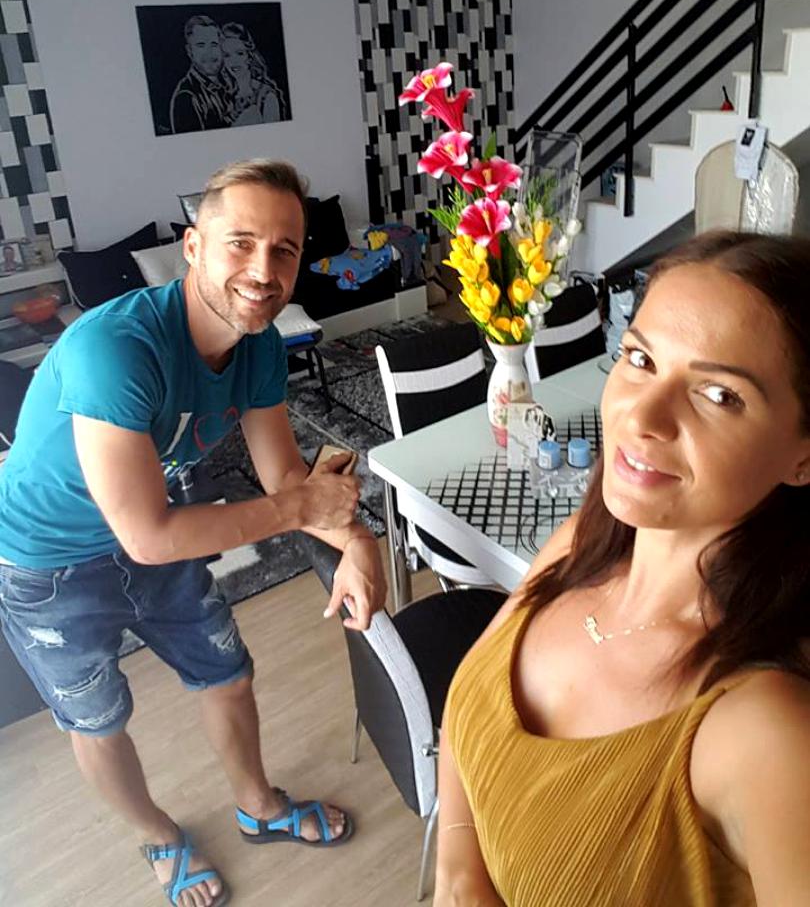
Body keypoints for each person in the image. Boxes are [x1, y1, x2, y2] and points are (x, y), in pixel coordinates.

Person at [0, 159, 387, 907]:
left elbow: (286, 482)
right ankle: (160, 837)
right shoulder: (117, 349)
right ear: (193, 246)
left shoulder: (261, 344)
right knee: (97, 718)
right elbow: (153, 534)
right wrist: (306, 510)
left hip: (158, 533)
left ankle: (259, 806)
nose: (263, 271)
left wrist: (360, 541)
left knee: (227, 673)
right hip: (45, 560)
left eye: (283, 250)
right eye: (241, 242)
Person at [435, 230, 810, 906]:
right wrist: (459, 875)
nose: (642, 416)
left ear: (802, 456)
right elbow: (468, 702)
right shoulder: (581, 546)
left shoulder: (767, 734)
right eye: (640, 358)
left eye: (719, 395)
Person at [169, 15, 233, 133]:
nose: (209, 52)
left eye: (214, 44)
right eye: (201, 45)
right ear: (189, 51)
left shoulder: (231, 83)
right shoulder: (186, 97)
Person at [221, 22, 288, 126]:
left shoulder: (266, 95)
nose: (234, 61)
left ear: (249, 56)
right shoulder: (224, 95)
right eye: (227, 55)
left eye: (239, 53)